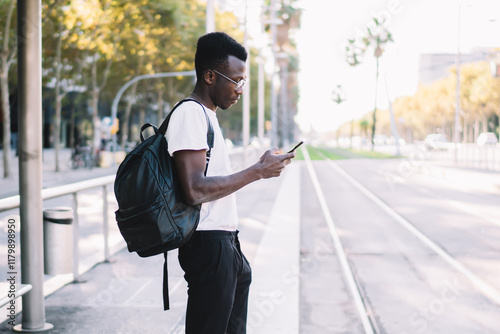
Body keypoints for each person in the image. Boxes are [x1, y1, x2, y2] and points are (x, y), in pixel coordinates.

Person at [165, 32, 295, 334]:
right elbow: (195, 189)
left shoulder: (207, 116)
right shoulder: (190, 114)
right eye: (236, 80)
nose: (240, 89)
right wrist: (258, 171)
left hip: (225, 242)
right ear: (210, 76)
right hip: (208, 244)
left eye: (243, 82)